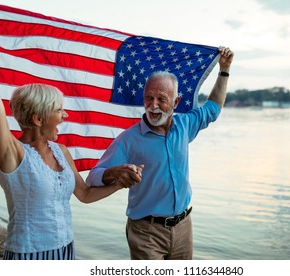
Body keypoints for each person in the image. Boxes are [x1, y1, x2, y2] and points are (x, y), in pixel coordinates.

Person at [0, 30, 143, 260]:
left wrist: (121, 183)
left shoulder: (60, 152)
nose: (65, 115)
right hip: (28, 254)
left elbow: (85, 194)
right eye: (59, 110)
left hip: (66, 249)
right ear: (38, 119)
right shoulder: (13, 153)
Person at [86, 46, 234, 259]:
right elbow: (93, 177)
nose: (153, 106)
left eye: (161, 99)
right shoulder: (129, 139)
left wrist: (224, 70)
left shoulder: (185, 125)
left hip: (184, 227)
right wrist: (113, 173)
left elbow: (213, 109)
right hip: (146, 233)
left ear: (176, 102)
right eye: (149, 98)